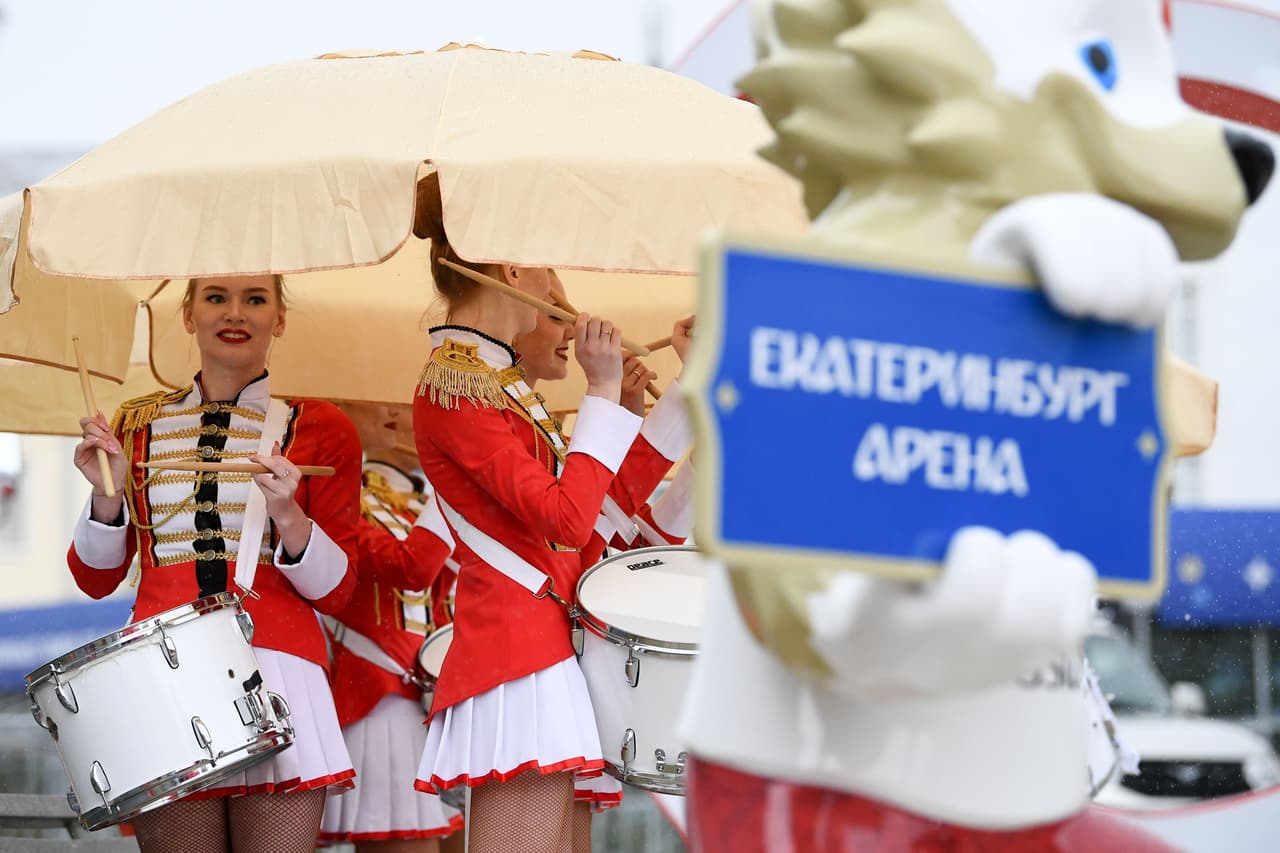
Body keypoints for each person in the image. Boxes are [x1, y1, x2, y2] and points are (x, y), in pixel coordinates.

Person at [409, 194, 692, 851]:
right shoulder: (455, 386)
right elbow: (568, 519)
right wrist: (597, 394)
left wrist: (681, 383)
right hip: (515, 654)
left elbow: (597, 522)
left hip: (539, 645)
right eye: (555, 284)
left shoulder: (497, 383)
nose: (566, 311)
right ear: (512, 268)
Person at [70, 274, 362, 853]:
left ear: (279, 318)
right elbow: (96, 578)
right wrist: (106, 495)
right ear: (188, 314)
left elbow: (339, 593)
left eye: (256, 299)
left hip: (278, 669)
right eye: (216, 297)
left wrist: (290, 515)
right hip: (162, 674)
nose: (236, 313)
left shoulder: (324, 428)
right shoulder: (136, 425)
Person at [509, 278, 696, 827]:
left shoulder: (533, 417)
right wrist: (620, 398)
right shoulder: (498, 409)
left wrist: (632, 410)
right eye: (554, 312)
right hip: (532, 650)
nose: (571, 325)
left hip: (564, 648)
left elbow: (633, 544)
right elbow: (589, 528)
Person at [320, 402, 463, 852]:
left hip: (441, 703)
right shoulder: (338, 496)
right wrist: (454, 478)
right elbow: (410, 566)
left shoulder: (418, 501)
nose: (391, 407)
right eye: (374, 395)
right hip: (378, 695)